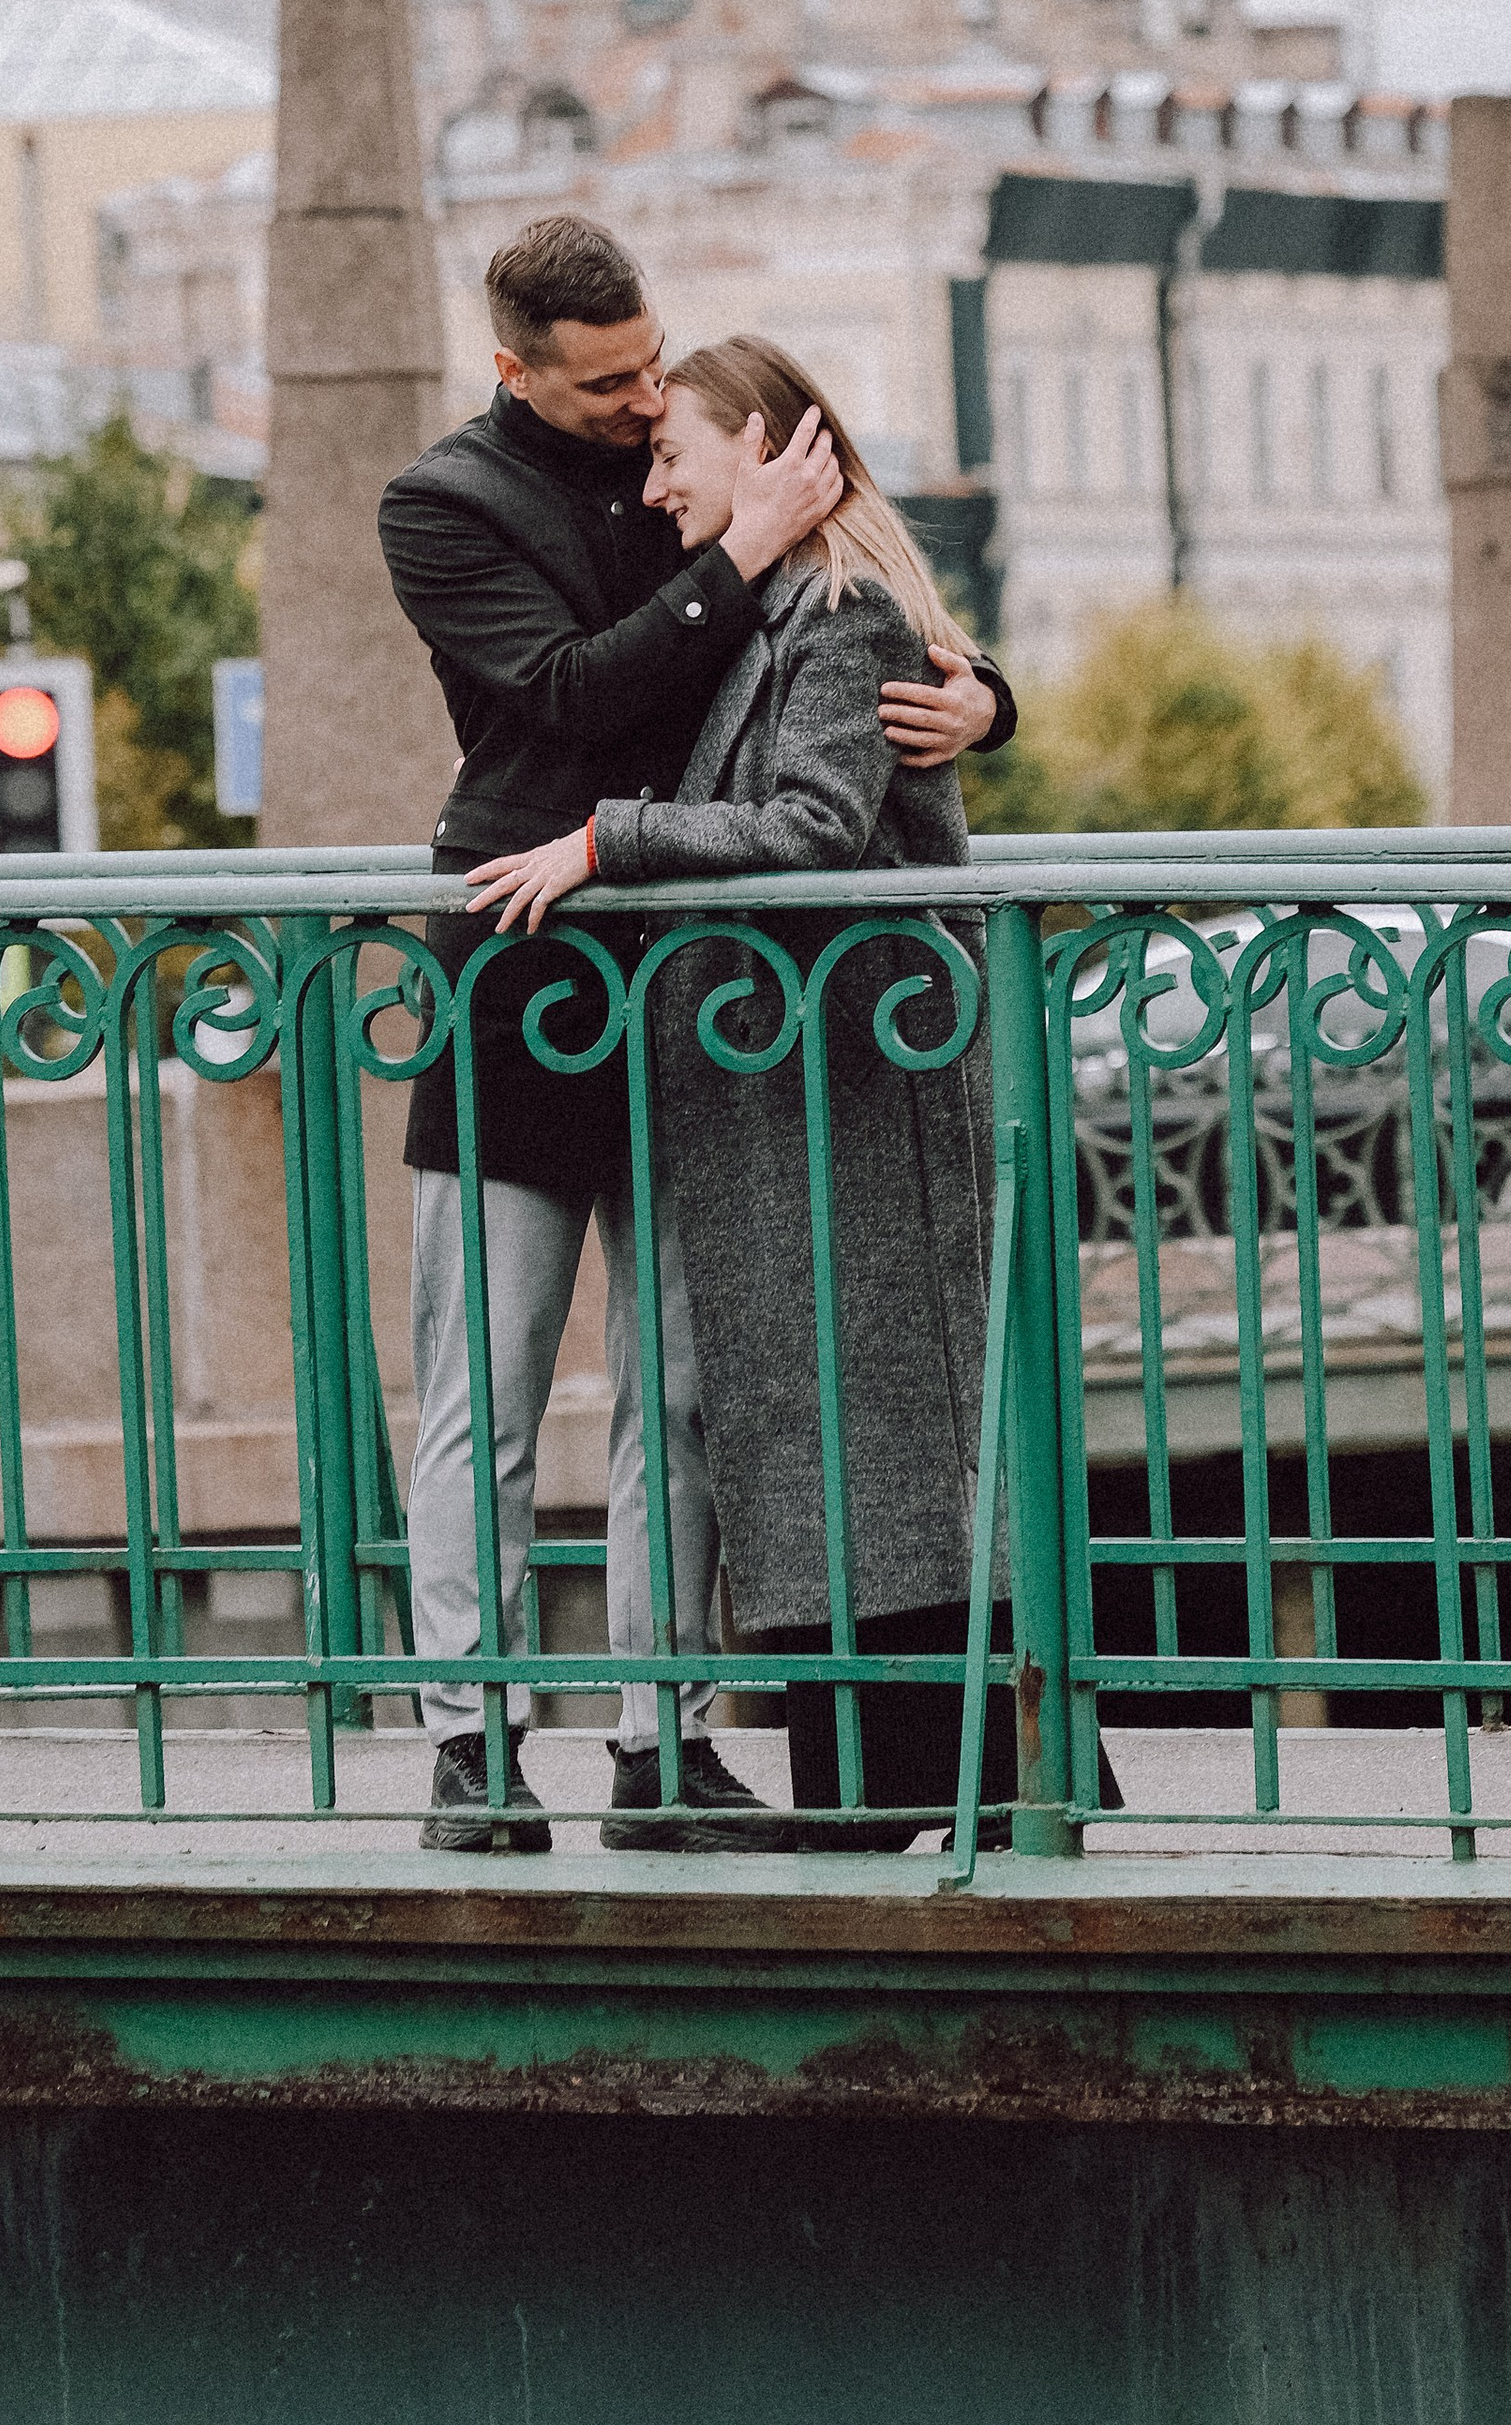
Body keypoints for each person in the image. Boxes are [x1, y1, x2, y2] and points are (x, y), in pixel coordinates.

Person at [378, 220, 1015, 1855]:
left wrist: (985, 694)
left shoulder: (699, 465)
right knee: (491, 1387)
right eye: (608, 385)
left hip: (695, 998)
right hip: (529, 957)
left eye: (656, 370)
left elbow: (833, 643)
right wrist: (744, 545)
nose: (644, 401)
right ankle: (472, 1739)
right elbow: (580, 700)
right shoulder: (442, 506)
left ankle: (662, 1735)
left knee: (676, 1389)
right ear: (513, 368)